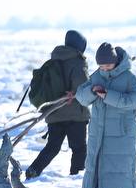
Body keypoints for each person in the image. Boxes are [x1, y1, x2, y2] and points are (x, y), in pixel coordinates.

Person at [76, 42, 136, 188]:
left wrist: (108, 95)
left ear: (115, 61)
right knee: (98, 170)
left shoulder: (128, 77)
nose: (104, 68)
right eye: (101, 65)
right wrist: (92, 91)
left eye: (107, 65)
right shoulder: (97, 75)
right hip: (99, 133)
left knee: (123, 171)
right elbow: (81, 98)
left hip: (122, 133)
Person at [25, 30, 91, 179]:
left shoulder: (54, 59)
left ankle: (33, 170)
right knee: (79, 148)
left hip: (54, 113)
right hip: (75, 115)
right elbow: (82, 86)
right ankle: (77, 176)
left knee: (52, 147)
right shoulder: (78, 61)